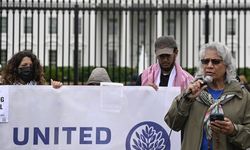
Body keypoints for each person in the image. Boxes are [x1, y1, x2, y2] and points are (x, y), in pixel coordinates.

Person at [164, 42, 250, 150]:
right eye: (205, 61)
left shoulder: (241, 95)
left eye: (215, 61)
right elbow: (172, 123)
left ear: (227, 66)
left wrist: (234, 130)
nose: (209, 65)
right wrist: (186, 100)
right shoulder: (193, 90)